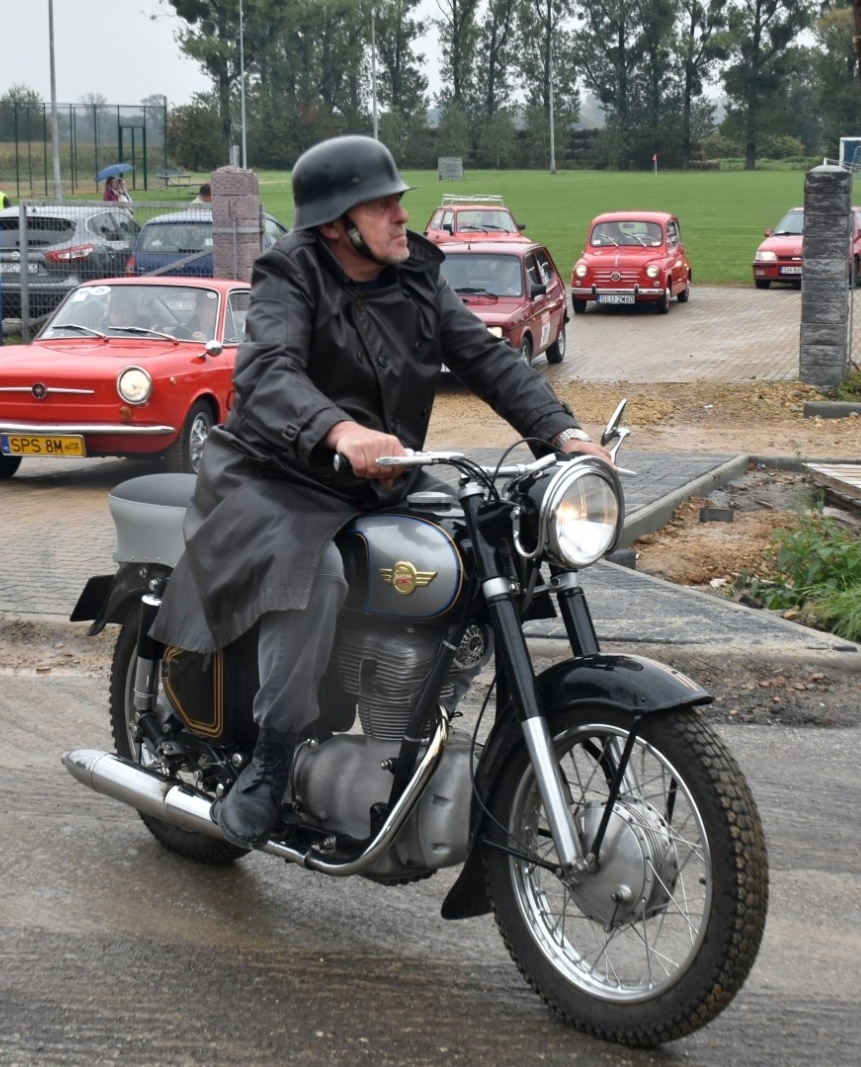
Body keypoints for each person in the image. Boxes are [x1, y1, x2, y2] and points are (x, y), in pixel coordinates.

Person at [148, 134, 611, 850]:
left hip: (377, 474)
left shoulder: (418, 275)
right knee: (317, 573)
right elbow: (267, 372)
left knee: (475, 547)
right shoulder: (290, 273)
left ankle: (414, 718)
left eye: (399, 202)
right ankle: (272, 760)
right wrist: (335, 428)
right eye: (383, 204)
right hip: (277, 474)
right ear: (337, 223)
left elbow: (487, 358)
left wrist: (563, 434)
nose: (401, 216)